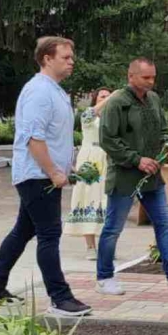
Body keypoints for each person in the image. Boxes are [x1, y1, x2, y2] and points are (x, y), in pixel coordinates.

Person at [0, 37, 92, 316]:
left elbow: (54, 137)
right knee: (49, 233)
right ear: (47, 59)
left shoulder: (54, 91)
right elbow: (33, 137)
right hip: (37, 176)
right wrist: (53, 171)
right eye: (65, 57)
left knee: (23, 231)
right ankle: (60, 297)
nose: (71, 62)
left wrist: (66, 167)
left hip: (44, 175)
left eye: (71, 57)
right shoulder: (39, 92)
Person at [95, 57, 168, 296]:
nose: (151, 82)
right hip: (125, 176)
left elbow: (163, 129)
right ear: (130, 76)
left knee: (164, 224)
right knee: (113, 228)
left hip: (153, 177)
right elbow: (107, 140)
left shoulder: (153, 99)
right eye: (146, 77)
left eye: (153, 77)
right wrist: (137, 159)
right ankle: (104, 277)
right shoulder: (117, 103)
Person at [65, 87, 113, 260]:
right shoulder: (88, 115)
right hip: (90, 159)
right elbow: (89, 115)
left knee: (106, 200)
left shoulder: (112, 118)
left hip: (107, 159)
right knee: (88, 198)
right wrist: (111, 98)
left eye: (108, 96)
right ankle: (90, 246)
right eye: (103, 96)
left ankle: (106, 246)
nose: (106, 98)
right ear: (96, 98)